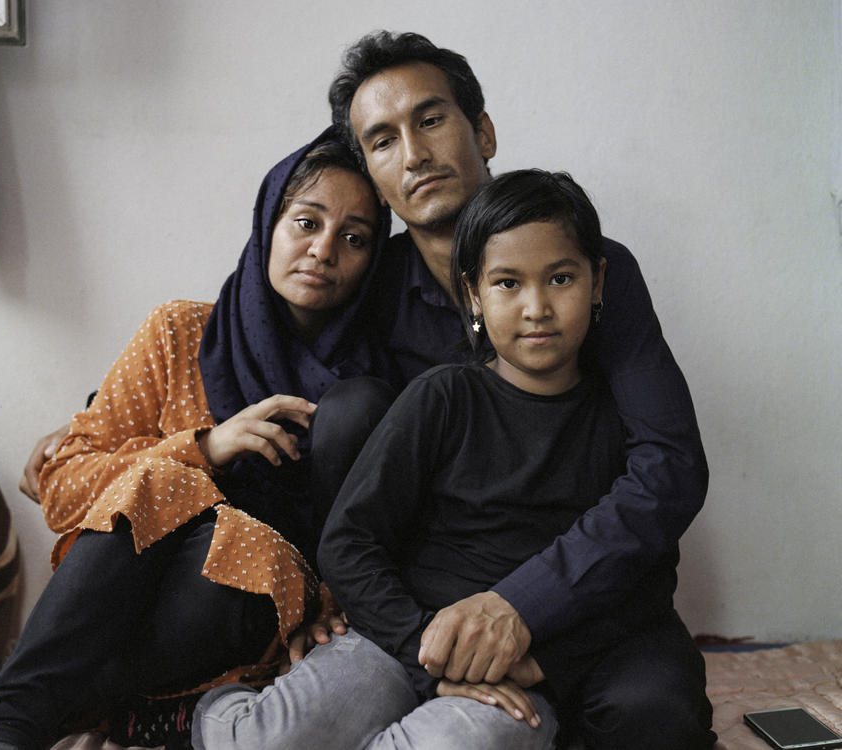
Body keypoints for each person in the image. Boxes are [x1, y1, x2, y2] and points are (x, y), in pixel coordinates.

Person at [191, 30, 715, 750]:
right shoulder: (366, 285)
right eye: (382, 140)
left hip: (583, 584)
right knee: (347, 413)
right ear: (371, 174)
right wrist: (339, 598)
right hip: (426, 592)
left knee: (655, 717)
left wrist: (521, 608)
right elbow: (272, 378)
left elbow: (669, 467)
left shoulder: (594, 271)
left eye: (431, 120)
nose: (414, 154)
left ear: (483, 130)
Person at [0, 130, 396, 750]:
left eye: (354, 239)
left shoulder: (371, 380)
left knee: (242, 541)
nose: (323, 250)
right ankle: (10, 731)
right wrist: (206, 448)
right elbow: (59, 490)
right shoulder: (180, 333)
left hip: (248, 610)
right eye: (306, 222)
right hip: (115, 597)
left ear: (371, 262)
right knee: (168, 480)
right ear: (267, 223)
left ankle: (58, 713)